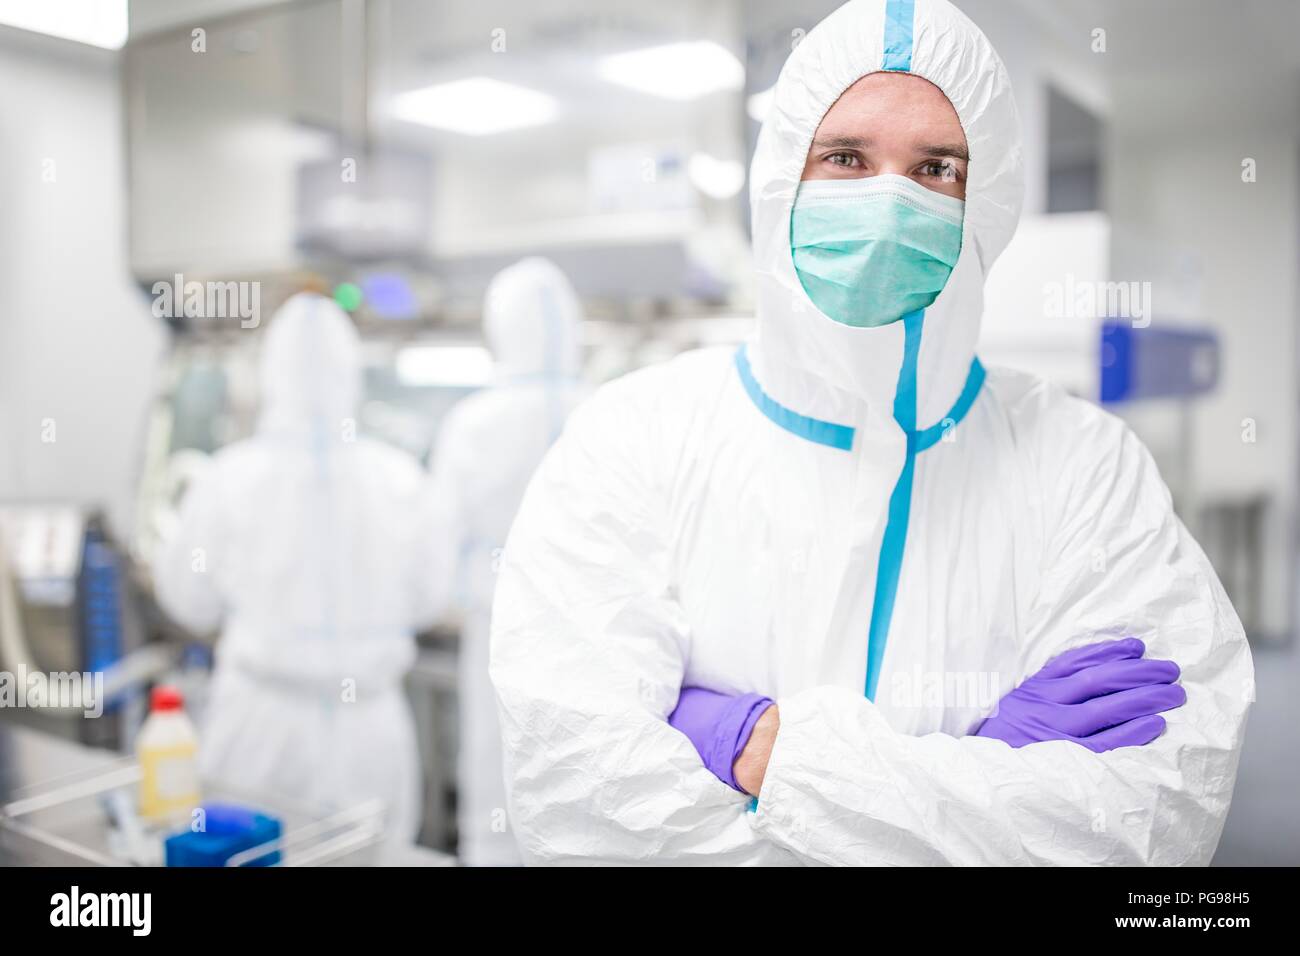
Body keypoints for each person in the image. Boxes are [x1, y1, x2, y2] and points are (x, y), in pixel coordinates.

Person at [489, 0, 1254, 865]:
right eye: (846, 158)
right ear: (784, 177)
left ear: (986, 201)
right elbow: (578, 809)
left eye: (936, 168)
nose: (888, 203)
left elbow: (1152, 821)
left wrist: (761, 752)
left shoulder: (1082, 463)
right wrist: (989, 777)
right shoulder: (632, 440)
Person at [154, 292, 445, 842]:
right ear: (351, 373)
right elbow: (430, 598)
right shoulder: (401, 480)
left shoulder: (229, 479)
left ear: (272, 374)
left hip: (260, 729)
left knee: (248, 854)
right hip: (370, 731)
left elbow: (188, 600)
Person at [428, 258, 588, 866]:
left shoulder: (472, 424)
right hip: (596, 638)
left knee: (498, 794)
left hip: (499, 638)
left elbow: (437, 546)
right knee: (591, 800)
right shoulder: (605, 407)